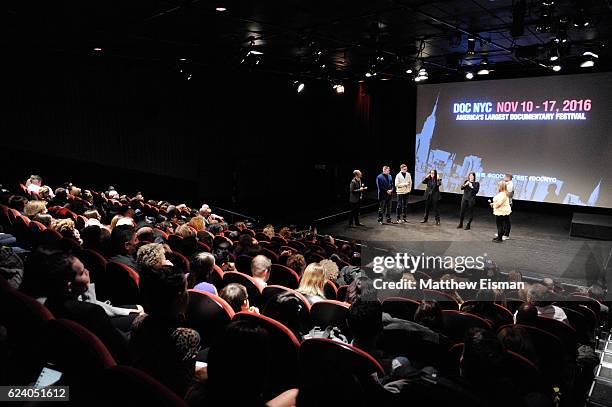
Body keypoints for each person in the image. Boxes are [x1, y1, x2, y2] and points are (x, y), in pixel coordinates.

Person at [130, 265, 200, 397]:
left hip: (140, 391)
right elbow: (184, 385)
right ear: (179, 297)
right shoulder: (187, 336)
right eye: (186, 289)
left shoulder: (138, 322)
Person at [502, 174, 514, 240]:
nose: (503, 178)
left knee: (506, 220)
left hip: (507, 204)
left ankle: (506, 235)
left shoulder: (510, 185)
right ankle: (502, 232)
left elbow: (507, 194)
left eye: (504, 177)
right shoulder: (506, 184)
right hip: (504, 203)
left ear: (508, 178)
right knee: (503, 219)